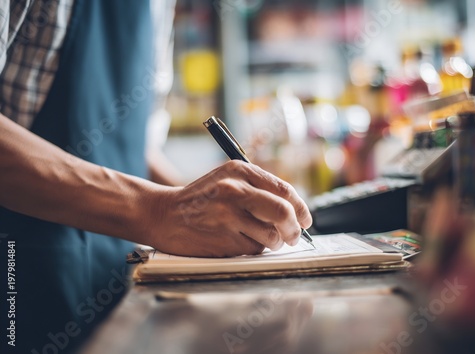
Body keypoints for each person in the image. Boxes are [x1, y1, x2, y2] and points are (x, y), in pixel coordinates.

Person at [0, 1, 312, 353]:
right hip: (19, 280)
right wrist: (157, 211)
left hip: (114, 282)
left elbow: (131, 144)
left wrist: (205, 203)